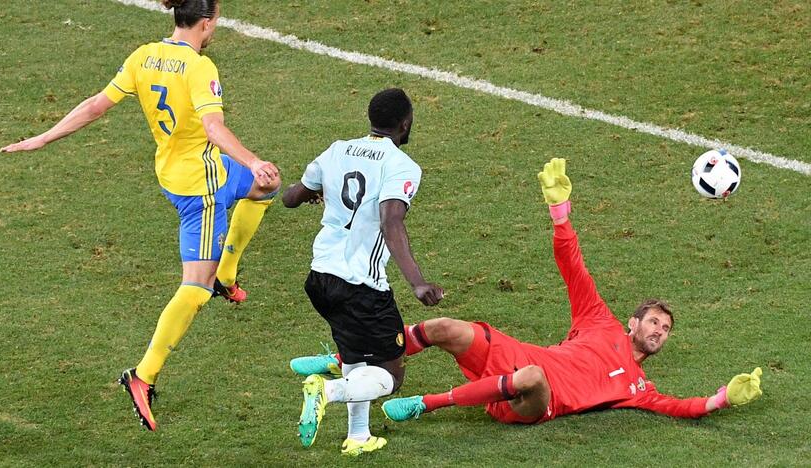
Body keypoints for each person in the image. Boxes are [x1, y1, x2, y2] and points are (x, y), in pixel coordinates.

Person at [295, 158, 763, 426]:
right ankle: (343, 360)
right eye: (655, 321)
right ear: (632, 322)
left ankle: (424, 403)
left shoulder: (639, 388)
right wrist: (561, 213)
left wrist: (722, 398)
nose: (660, 330)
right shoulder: (598, 320)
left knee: (535, 374)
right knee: (444, 326)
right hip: (513, 357)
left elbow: (681, 408)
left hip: (536, 400)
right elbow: (573, 267)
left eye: (666, 328)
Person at [0, 0, 281, 431]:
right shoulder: (199, 66)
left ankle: (227, 273)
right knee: (194, 288)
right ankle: (143, 375)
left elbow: (96, 104)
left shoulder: (144, 55)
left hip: (178, 170)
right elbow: (214, 129)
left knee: (267, 185)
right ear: (207, 22)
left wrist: (44, 137)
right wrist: (254, 157)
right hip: (200, 188)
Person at [282, 88, 444, 456]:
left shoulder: (337, 149)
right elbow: (391, 219)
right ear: (405, 124)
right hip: (361, 286)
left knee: (355, 357)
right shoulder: (402, 165)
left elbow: (293, 197)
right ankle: (328, 390)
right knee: (390, 376)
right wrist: (418, 283)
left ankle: (358, 436)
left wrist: (301, 193)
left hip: (320, 277)